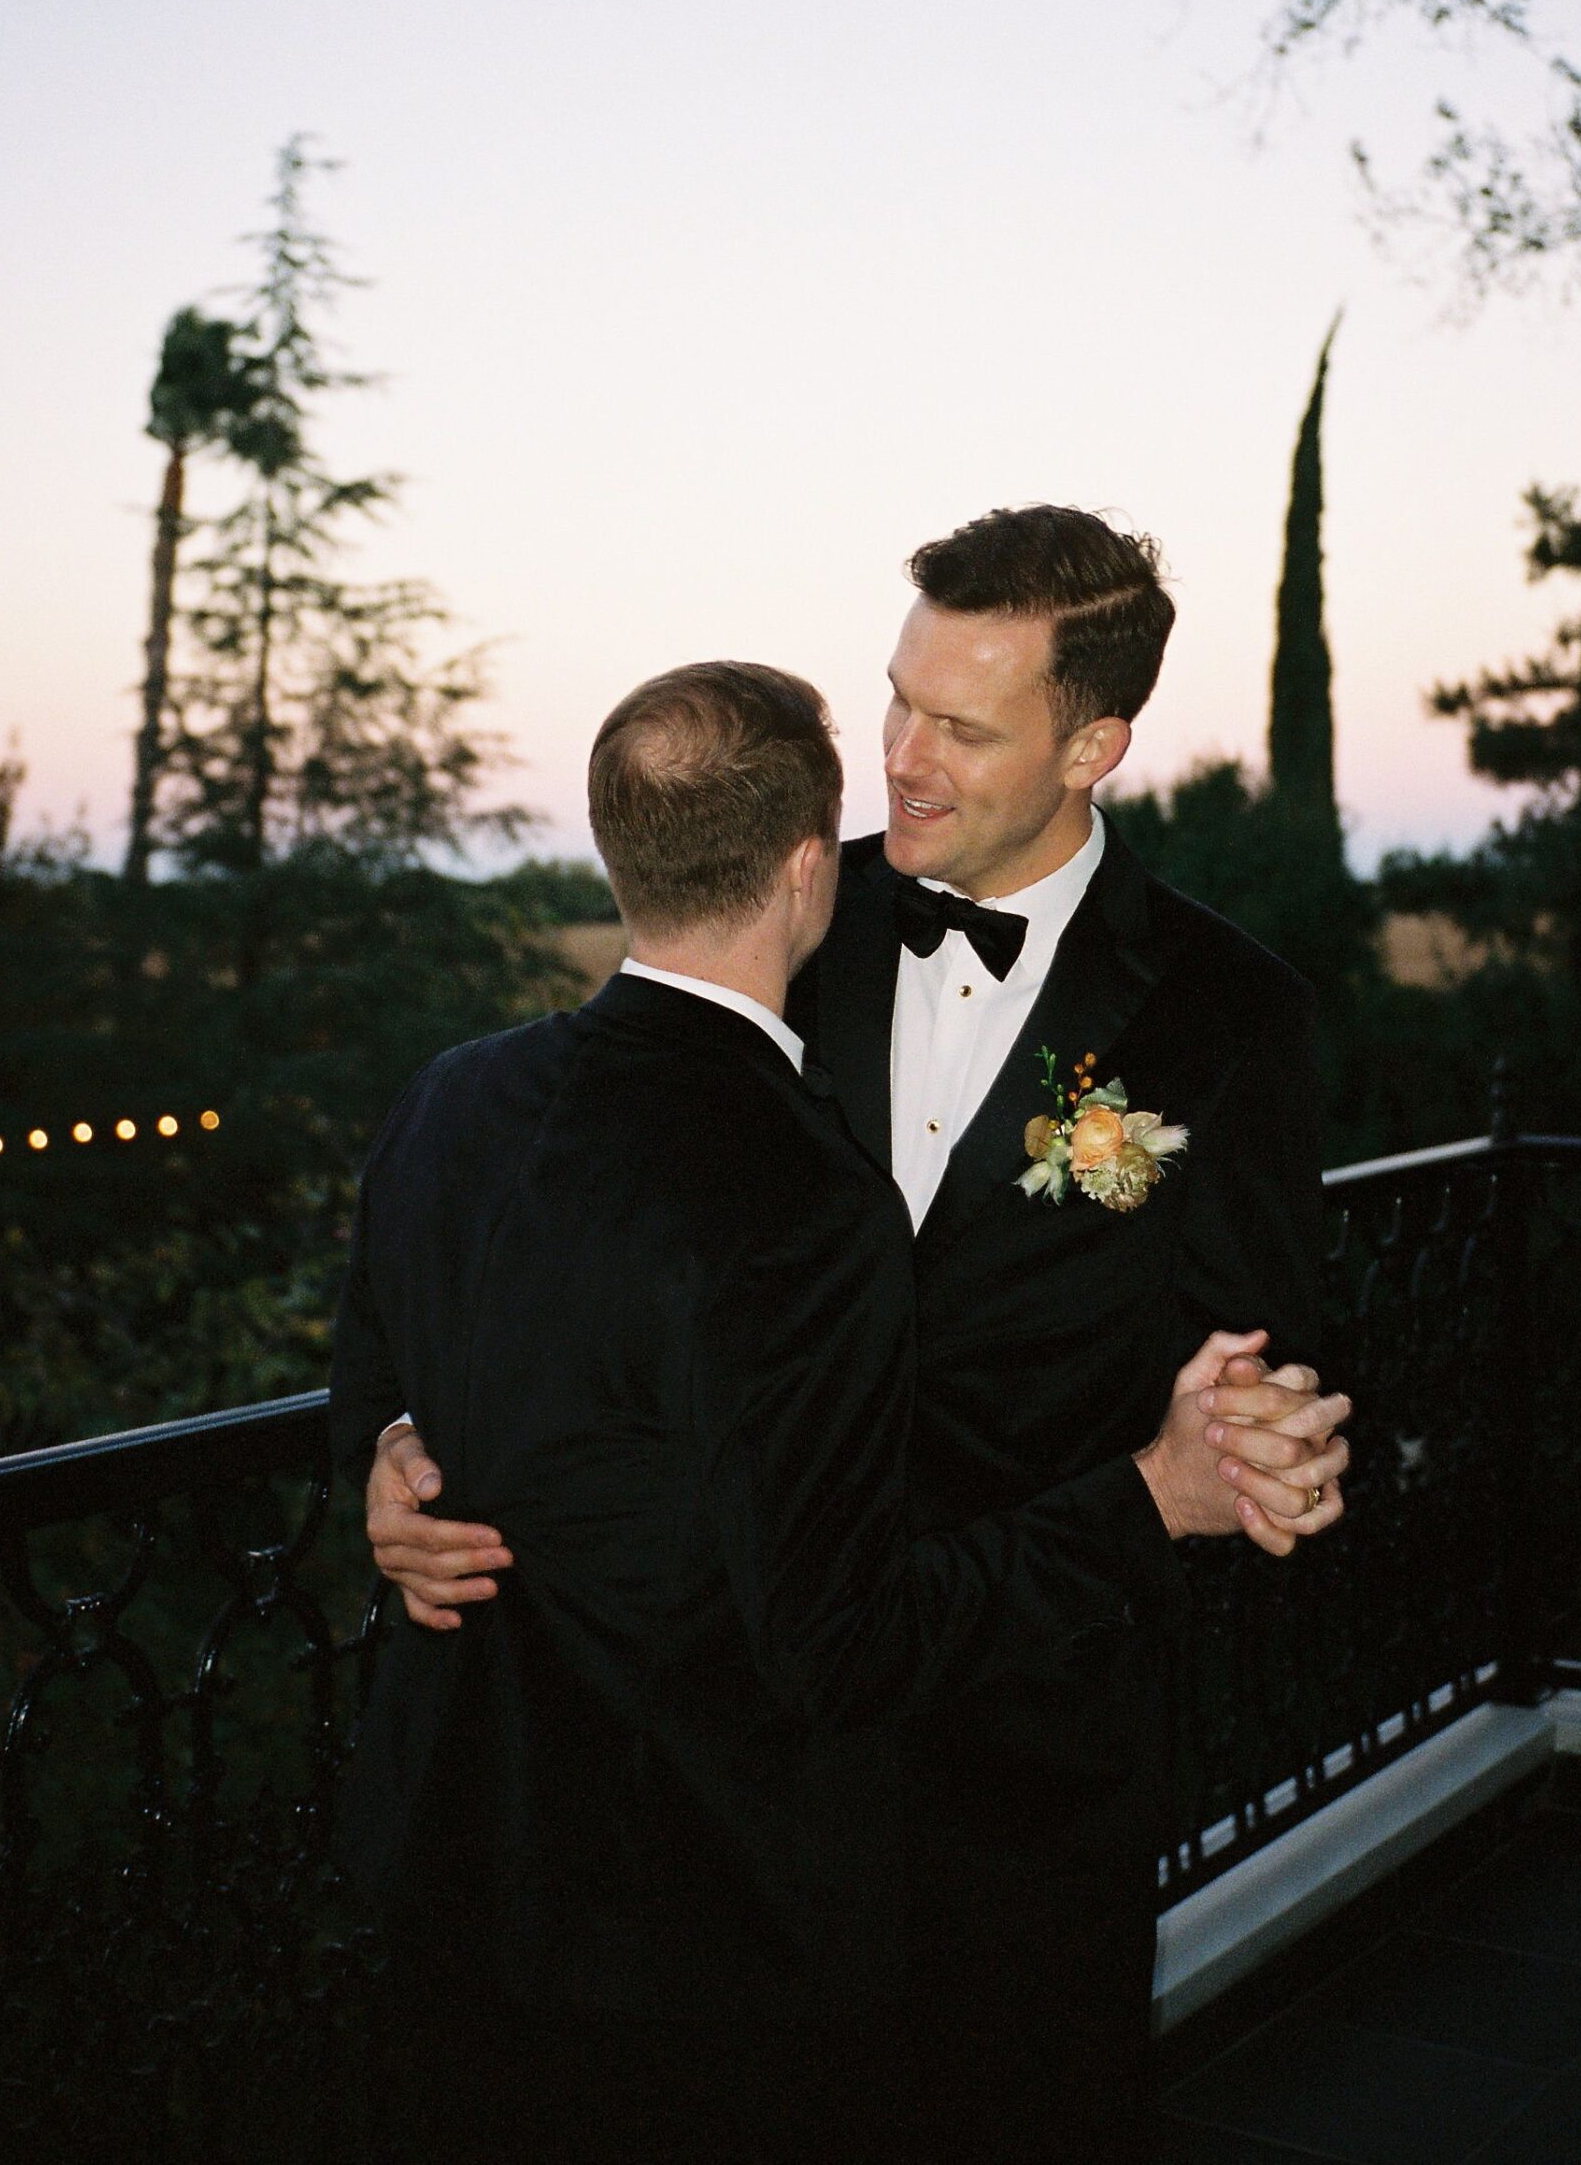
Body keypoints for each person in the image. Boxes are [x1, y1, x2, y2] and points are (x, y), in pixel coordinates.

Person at [364, 510, 1351, 2158]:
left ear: (1094, 742)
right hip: (721, 1819)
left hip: (1024, 1783)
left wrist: (1282, 1450)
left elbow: (1273, 1362)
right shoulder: (779, 925)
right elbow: (562, 1239)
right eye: (893, 699)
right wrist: (390, 1447)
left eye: (960, 726)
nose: (897, 758)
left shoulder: (1226, 1018)